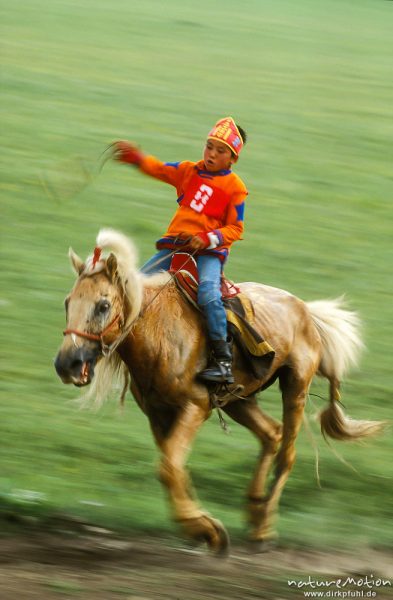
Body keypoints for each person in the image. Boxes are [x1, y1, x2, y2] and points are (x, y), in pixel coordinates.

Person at [113, 116, 248, 384]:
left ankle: (223, 361)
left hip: (209, 253)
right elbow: (160, 168)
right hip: (176, 246)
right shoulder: (189, 171)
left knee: (209, 294)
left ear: (232, 159)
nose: (212, 153)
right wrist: (136, 158)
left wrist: (207, 238)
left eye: (221, 151)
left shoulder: (236, 188)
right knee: (134, 285)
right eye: (209, 146)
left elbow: (236, 229)